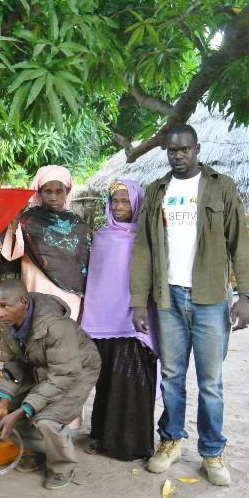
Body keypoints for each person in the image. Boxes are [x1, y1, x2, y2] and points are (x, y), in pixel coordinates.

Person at [131, 123, 249, 486]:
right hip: (167, 298)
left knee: (210, 381)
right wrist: (139, 301)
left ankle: (212, 453)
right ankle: (169, 441)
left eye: (184, 149)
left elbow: (241, 242)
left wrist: (245, 295)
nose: (178, 155)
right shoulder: (157, 192)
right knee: (171, 377)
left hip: (210, 299)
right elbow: (144, 249)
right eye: (172, 150)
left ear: (197, 149)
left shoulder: (221, 186)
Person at [0, 279, 101, 490]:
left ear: (23, 302)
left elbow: (63, 375)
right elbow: (13, 364)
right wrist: (5, 403)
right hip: (41, 365)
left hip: (76, 370)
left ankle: (62, 466)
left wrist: (23, 410)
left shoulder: (55, 326)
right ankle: (39, 450)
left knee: (47, 419)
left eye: (5, 306)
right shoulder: (6, 323)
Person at [81, 180, 158, 461]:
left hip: (133, 322)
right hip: (102, 323)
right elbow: (96, 281)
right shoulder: (101, 237)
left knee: (133, 381)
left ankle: (132, 445)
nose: (120, 206)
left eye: (126, 201)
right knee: (107, 382)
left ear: (136, 203)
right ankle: (101, 436)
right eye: (115, 201)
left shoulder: (146, 238)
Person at [0, 165, 89, 321]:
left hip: (69, 297)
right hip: (36, 291)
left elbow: (85, 265)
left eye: (59, 191)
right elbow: (11, 251)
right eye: (47, 191)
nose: (53, 197)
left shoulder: (78, 226)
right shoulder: (27, 220)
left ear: (67, 191)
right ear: (39, 192)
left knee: (64, 336)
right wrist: (15, 217)